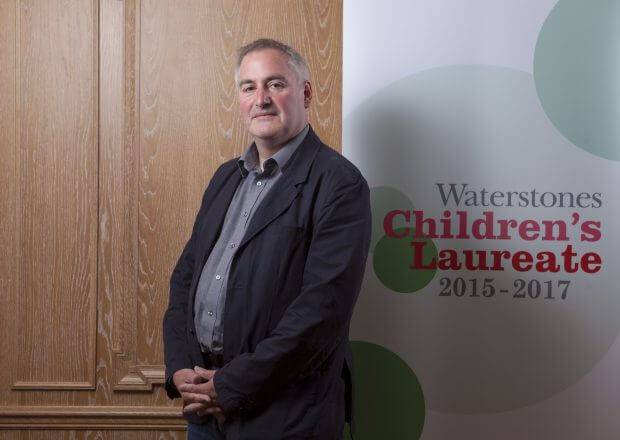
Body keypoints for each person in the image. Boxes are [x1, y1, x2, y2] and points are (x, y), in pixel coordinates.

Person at [163, 38, 371, 440]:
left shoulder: (340, 185)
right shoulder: (226, 177)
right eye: (249, 87)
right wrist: (181, 369)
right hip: (205, 410)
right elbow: (185, 280)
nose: (261, 99)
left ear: (306, 93)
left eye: (276, 84)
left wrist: (229, 386)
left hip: (285, 414)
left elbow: (320, 315)